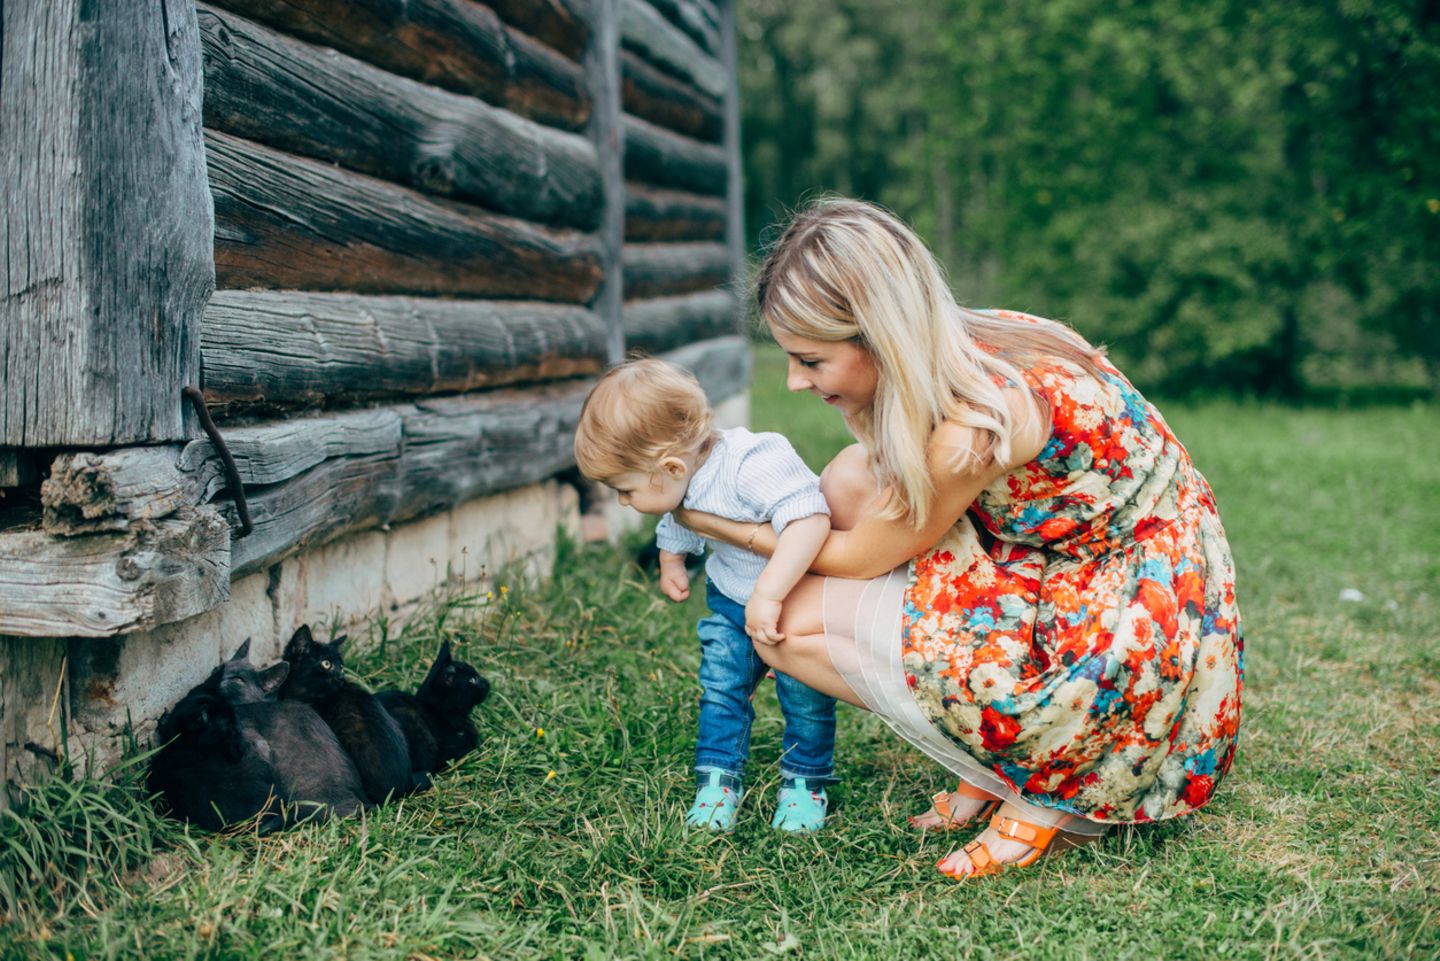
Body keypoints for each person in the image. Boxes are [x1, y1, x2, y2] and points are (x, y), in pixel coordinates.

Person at [674, 198, 1243, 878]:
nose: (795, 381)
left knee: (786, 624)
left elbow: (861, 555)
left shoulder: (970, 428)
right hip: (1072, 553)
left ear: (879, 336)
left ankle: (1042, 783)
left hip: (1137, 601)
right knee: (849, 480)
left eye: (810, 360)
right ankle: (999, 761)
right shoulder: (975, 340)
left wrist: (716, 524)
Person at [573, 358, 838, 832]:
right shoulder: (681, 475)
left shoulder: (753, 464)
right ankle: (718, 781)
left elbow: (810, 521)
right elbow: (678, 511)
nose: (622, 501)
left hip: (794, 605)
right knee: (722, 688)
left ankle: (805, 782)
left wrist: (772, 593)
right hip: (729, 602)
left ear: (670, 466)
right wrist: (671, 558)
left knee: (805, 695)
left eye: (624, 489)